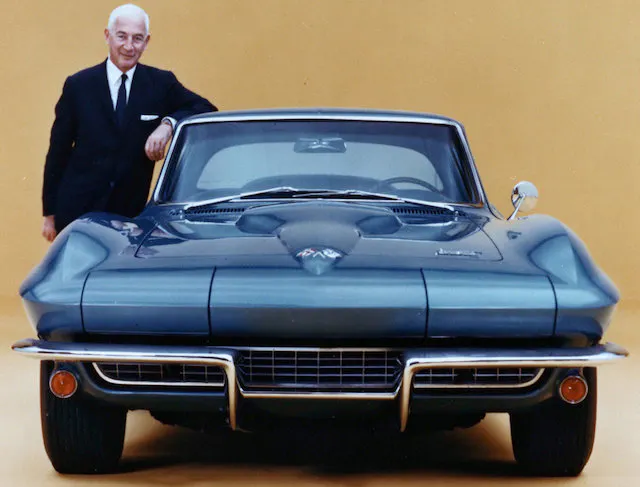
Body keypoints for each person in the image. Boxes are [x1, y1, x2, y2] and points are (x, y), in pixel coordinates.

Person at [41, 3, 217, 241]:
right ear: (107, 36)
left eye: (137, 38)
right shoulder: (79, 85)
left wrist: (167, 125)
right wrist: (50, 214)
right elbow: (58, 151)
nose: (129, 46)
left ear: (147, 41)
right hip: (78, 213)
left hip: (130, 216)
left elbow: (204, 108)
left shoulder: (160, 83)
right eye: (121, 36)